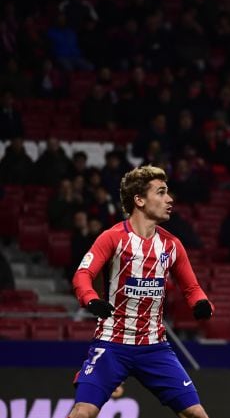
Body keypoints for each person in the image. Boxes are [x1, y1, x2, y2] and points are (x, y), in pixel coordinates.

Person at [69, 165, 214, 418]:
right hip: (112, 344)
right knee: (83, 413)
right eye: (161, 192)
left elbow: (192, 288)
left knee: (196, 414)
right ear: (139, 200)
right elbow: (82, 275)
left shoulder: (172, 245)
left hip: (155, 347)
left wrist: (201, 303)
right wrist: (91, 300)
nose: (169, 199)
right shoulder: (112, 238)